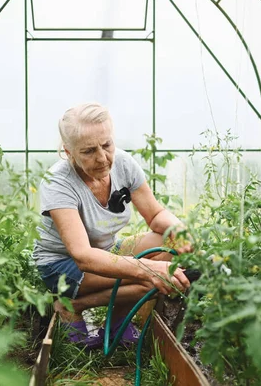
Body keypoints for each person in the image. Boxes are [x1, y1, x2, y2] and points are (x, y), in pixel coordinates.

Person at [33, 103, 192, 348]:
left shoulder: (123, 164)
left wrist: (179, 229)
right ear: (68, 152)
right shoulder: (58, 183)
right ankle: (73, 304)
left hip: (105, 253)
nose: (102, 158)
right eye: (88, 151)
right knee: (148, 277)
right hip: (63, 266)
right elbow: (83, 256)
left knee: (167, 243)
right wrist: (147, 268)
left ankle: (112, 322)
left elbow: (156, 214)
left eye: (106, 145)